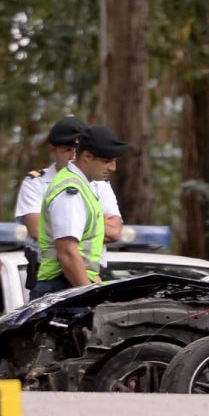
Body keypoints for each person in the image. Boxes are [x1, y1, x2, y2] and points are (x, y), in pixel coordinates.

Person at [33, 124, 133, 297]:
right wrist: (91, 297)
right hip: (61, 286)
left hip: (70, 285)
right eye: (107, 161)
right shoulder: (71, 191)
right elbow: (67, 253)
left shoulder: (83, 187)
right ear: (87, 156)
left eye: (115, 161)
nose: (113, 167)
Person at [14, 115, 123, 255]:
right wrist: (96, 222)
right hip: (47, 270)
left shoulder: (100, 184)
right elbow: (37, 231)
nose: (73, 156)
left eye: (77, 150)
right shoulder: (36, 183)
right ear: (52, 149)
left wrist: (63, 226)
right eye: (67, 149)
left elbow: (114, 232)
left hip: (90, 269)